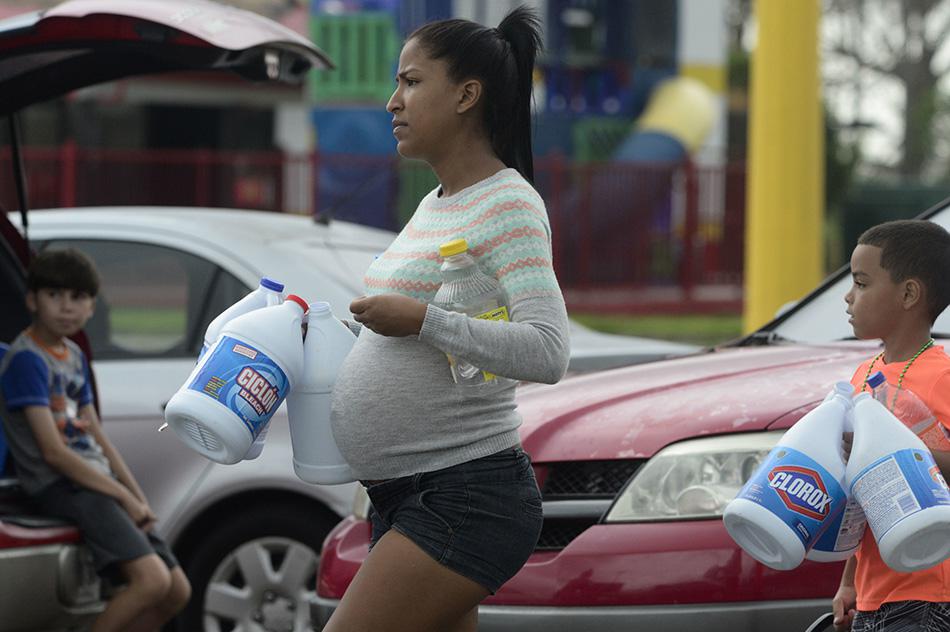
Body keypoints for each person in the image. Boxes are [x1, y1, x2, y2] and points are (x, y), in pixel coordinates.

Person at [325, 6, 569, 632]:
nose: (391, 102)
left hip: (464, 494)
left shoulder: (509, 203)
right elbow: (415, 330)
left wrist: (421, 320)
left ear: (466, 95)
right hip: (403, 494)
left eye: (410, 82)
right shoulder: (438, 201)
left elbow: (547, 351)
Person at [0, 249, 190, 632]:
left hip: (95, 481)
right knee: (151, 581)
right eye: (55, 295)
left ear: (91, 308)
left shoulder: (73, 356)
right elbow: (53, 453)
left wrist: (136, 496)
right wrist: (122, 497)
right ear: (32, 299)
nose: (67, 307)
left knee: (177, 591)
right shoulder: (27, 361)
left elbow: (97, 436)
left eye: (78, 298)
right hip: (63, 485)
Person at [833, 220, 950, 631]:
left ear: (909, 294)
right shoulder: (862, 375)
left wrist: (896, 455)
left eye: (862, 284)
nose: (848, 298)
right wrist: (849, 584)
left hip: (930, 593)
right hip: (872, 594)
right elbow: (861, 496)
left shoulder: (941, 377)